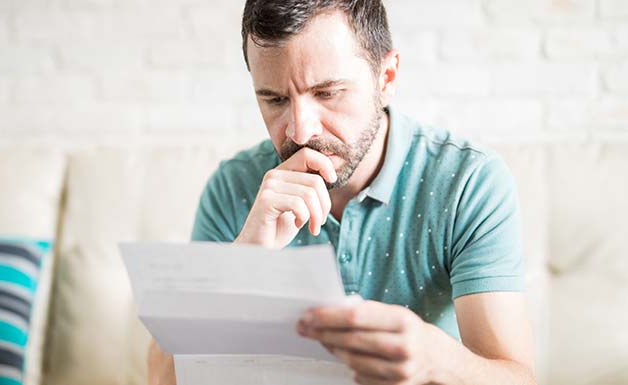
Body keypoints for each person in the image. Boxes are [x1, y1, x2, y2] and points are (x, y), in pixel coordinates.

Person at [149, 1, 536, 384]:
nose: (300, 132)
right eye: (275, 99)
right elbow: (163, 379)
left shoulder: (467, 182)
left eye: (328, 93)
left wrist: (435, 360)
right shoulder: (235, 187)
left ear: (386, 77)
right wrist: (245, 259)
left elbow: (518, 377)